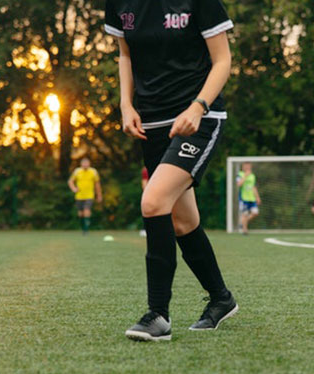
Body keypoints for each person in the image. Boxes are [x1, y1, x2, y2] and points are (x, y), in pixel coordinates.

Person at [105, 0, 238, 341]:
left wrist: (199, 106)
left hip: (197, 118)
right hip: (150, 123)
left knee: (153, 201)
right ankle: (221, 299)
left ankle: (158, 315)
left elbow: (223, 61)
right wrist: (125, 104)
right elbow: (126, 54)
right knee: (182, 221)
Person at [67, 157, 102, 235]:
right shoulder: (77, 171)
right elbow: (70, 181)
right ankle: (83, 228)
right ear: (81, 164)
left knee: (87, 210)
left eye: (87, 163)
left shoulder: (93, 172)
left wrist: (99, 195)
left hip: (89, 195)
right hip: (79, 196)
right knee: (80, 213)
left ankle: (86, 230)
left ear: (89, 164)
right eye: (84, 163)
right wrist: (74, 189)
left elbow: (97, 184)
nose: (85, 165)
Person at [237, 162, 261, 235]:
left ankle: (242, 223)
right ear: (243, 167)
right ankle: (245, 230)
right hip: (244, 198)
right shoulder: (240, 174)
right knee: (245, 214)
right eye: (246, 166)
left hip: (252, 198)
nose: (247, 168)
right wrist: (245, 176)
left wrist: (257, 197)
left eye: (248, 166)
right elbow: (239, 184)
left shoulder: (252, 176)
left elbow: (253, 187)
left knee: (255, 213)